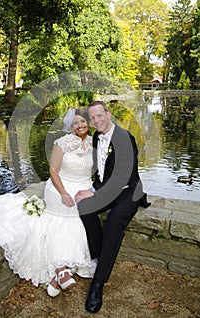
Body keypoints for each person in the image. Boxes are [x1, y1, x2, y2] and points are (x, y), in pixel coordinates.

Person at [0, 108, 96, 297]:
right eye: (75, 123)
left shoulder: (95, 144)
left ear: (88, 123)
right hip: (59, 187)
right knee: (65, 215)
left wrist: (93, 190)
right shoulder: (62, 143)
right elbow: (53, 171)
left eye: (82, 122)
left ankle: (58, 275)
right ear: (71, 125)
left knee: (77, 218)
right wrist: (63, 193)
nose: (79, 126)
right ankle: (61, 268)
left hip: (83, 187)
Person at [75, 100, 150, 313]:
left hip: (128, 190)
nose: (96, 121)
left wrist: (94, 191)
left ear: (108, 114)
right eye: (93, 118)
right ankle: (102, 254)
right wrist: (92, 187)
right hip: (106, 187)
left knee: (115, 220)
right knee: (84, 208)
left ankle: (98, 284)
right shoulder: (98, 137)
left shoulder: (124, 138)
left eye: (100, 116)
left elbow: (122, 175)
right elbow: (102, 171)